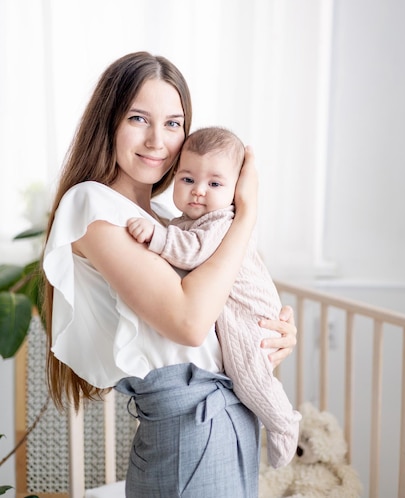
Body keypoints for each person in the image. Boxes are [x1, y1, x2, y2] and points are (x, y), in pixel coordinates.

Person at [42, 51, 297, 498]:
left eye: (174, 123)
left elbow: (222, 300)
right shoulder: (93, 206)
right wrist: (246, 214)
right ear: (109, 121)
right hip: (190, 426)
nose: (158, 140)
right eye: (139, 118)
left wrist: (270, 331)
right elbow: (188, 321)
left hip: (224, 416)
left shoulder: (166, 220)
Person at [127, 126, 300, 469]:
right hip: (231, 314)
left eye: (215, 184)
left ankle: (283, 423)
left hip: (250, 315)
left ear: (238, 191)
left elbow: (193, 252)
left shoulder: (223, 220)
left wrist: (157, 237)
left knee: (249, 376)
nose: (198, 192)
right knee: (242, 373)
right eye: (188, 179)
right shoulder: (183, 220)